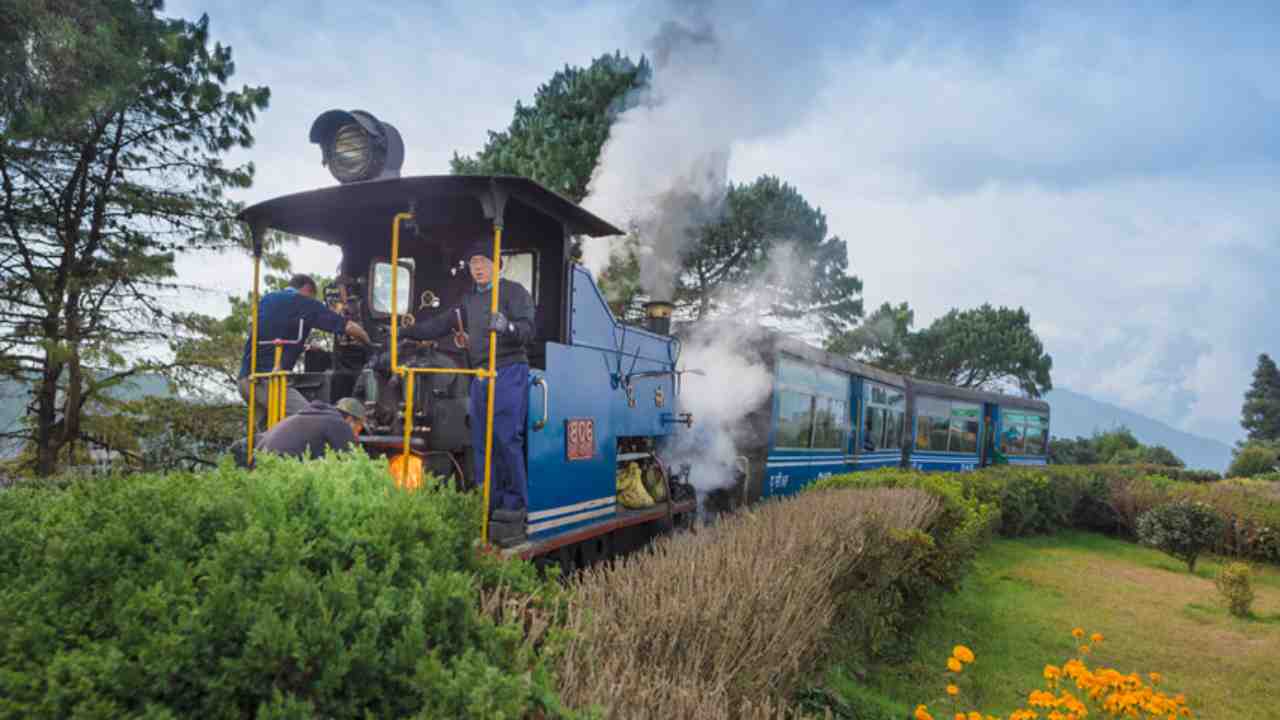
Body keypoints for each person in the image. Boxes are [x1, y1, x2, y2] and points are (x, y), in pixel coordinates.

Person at [402, 241, 535, 543]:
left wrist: (507, 327)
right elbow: (439, 324)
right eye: (473, 262)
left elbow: (529, 331)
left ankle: (514, 506)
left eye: (483, 261)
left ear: (496, 263)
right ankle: (487, 501)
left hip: (508, 369)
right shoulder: (468, 302)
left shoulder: (515, 292)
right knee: (480, 441)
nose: (477, 267)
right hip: (479, 373)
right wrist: (406, 330)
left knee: (505, 437)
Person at [238, 274, 371, 427]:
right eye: (313, 296)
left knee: (268, 435)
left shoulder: (267, 299)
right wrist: (370, 344)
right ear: (307, 289)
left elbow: (267, 331)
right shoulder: (303, 302)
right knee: (312, 423)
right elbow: (349, 327)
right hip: (269, 381)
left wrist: (303, 347)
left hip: (245, 380)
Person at [257, 397, 367, 460]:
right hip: (277, 467)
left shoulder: (313, 416)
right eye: (359, 428)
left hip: (260, 461)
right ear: (350, 419)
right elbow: (350, 465)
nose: (357, 435)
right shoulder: (339, 424)